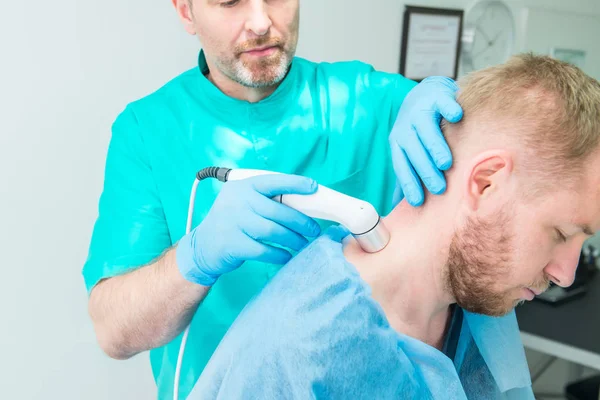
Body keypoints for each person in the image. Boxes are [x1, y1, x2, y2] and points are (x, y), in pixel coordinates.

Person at [83, 0, 464, 398]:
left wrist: (451, 98)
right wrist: (195, 257)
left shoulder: (372, 100)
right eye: (230, 1)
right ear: (185, 11)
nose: (262, 22)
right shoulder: (147, 131)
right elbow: (114, 332)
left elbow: (499, 139)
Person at [187, 53, 600, 399]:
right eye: (561, 234)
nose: (565, 274)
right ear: (485, 182)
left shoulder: (482, 303)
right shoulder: (302, 344)